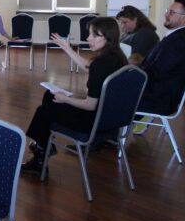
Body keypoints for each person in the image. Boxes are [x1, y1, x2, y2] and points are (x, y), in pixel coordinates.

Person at [21, 17, 128, 174]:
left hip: (92, 123)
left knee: (43, 112)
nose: (88, 38)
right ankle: (43, 147)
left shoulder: (101, 64)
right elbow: (88, 67)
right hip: (110, 121)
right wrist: (67, 48)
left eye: (93, 35)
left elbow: (90, 105)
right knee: (49, 97)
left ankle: (40, 156)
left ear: (106, 37)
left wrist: (66, 98)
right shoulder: (117, 58)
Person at [136, 0, 185, 116]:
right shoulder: (177, 38)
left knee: (108, 93)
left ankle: (105, 133)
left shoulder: (180, 43)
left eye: (172, 12)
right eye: (167, 10)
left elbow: (155, 72)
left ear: (184, 17)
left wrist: (129, 73)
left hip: (157, 100)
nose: (166, 14)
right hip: (155, 94)